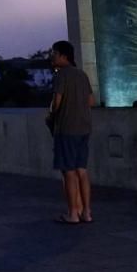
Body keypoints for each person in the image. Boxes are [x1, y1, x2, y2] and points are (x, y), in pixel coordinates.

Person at [49, 40, 94, 224]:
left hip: (67, 128)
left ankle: (73, 213)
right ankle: (87, 212)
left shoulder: (61, 75)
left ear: (63, 56)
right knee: (81, 170)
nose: (52, 56)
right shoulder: (82, 75)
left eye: (54, 53)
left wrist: (52, 115)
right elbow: (91, 101)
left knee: (68, 172)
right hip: (84, 128)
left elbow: (57, 102)